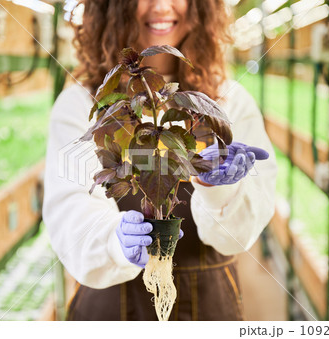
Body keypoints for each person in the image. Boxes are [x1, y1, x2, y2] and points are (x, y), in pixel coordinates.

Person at [43, 0, 277, 321]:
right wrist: (114, 242)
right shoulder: (83, 102)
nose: (162, 6)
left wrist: (217, 187)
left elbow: (240, 233)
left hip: (208, 304)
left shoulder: (228, 100)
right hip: (110, 307)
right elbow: (68, 208)